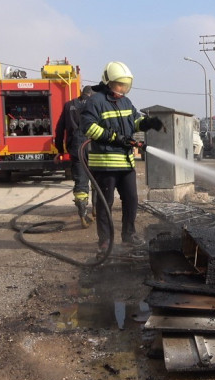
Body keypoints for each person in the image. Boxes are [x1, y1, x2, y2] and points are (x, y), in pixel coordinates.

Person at [75, 61, 163, 251]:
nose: (122, 88)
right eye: (119, 84)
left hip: (126, 163)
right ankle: (105, 242)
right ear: (108, 82)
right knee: (105, 205)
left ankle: (128, 236)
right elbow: (88, 127)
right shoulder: (95, 101)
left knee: (131, 200)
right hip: (105, 164)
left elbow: (135, 121)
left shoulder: (125, 102)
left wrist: (148, 123)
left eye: (125, 85)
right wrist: (114, 137)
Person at [55, 85, 95, 228]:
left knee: (81, 181)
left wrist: (59, 149)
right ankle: (95, 210)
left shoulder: (69, 105)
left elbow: (59, 129)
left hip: (76, 147)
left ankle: (83, 214)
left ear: (81, 93)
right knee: (96, 179)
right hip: (94, 146)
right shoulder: (96, 104)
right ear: (92, 94)